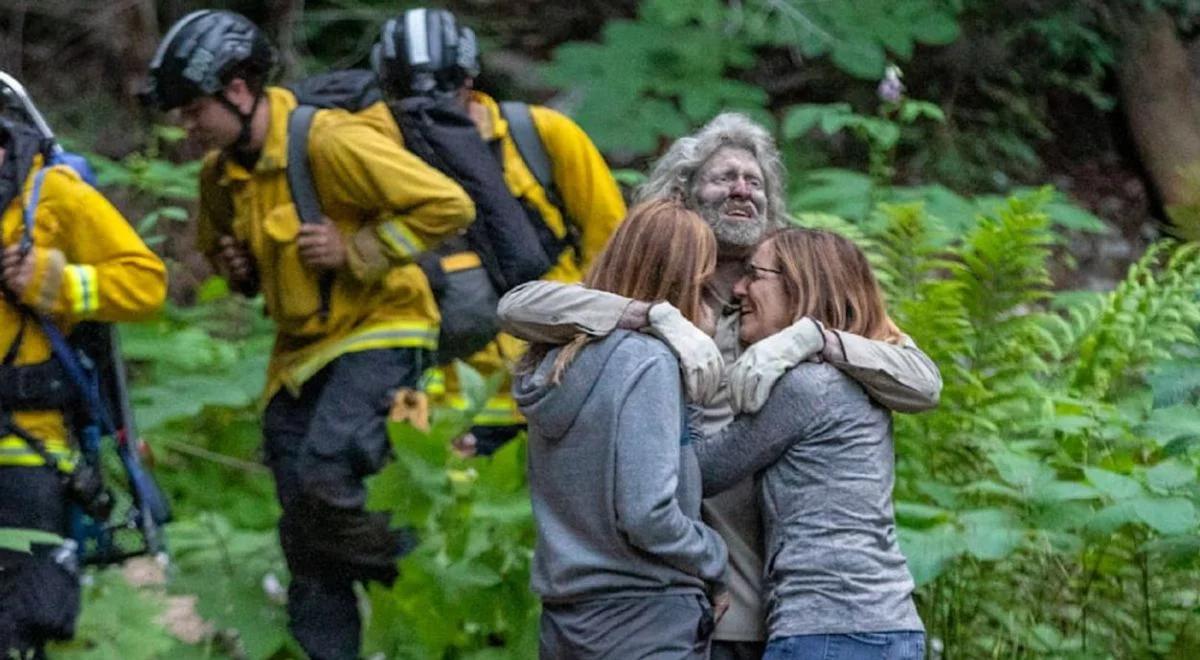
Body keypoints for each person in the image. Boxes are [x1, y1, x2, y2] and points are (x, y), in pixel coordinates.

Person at [498, 113, 941, 659]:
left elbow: (922, 382)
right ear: (682, 193)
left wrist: (812, 338)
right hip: (692, 597)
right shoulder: (651, 298)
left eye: (754, 181)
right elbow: (520, 307)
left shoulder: (791, 302)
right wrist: (656, 316)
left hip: (788, 607)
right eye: (723, 177)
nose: (741, 189)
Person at [142, 11, 475, 659]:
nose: (187, 127)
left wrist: (363, 246)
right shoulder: (220, 176)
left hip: (384, 329)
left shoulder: (329, 141)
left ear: (239, 90)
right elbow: (220, 253)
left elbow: (448, 205)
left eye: (194, 110)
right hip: (297, 355)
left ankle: (417, 575)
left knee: (330, 468)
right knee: (300, 518)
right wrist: (235, 270)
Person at [373, 8, 625, 455]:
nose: (424, 110)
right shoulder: (375, 158)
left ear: (470, 79)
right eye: (405, 97)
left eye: (444, 91)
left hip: (551, 385)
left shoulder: (540, 135)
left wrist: (586, 359)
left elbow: (615, 250)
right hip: (435, 403)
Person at [694, 228, 924, 659]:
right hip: (881, 626)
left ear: (800, 285)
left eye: (754, 275)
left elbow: (705, 471)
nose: (739, 288)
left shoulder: (806, 385)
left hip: (830, 630)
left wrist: (685, 375)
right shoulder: (853, 373)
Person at [514, 199, 728, 659]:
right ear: (683, 281)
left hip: (567, 622)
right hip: (646, 621)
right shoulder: (647, 363)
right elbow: (646, 513)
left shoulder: (556, 363)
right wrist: (714, 554)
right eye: (705, 282)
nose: (713, 296)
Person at [0, 79, 167, 658]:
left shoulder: (54, 195)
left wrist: (58, 282)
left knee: (20, 628)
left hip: (27, 448)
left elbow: (146, 283)